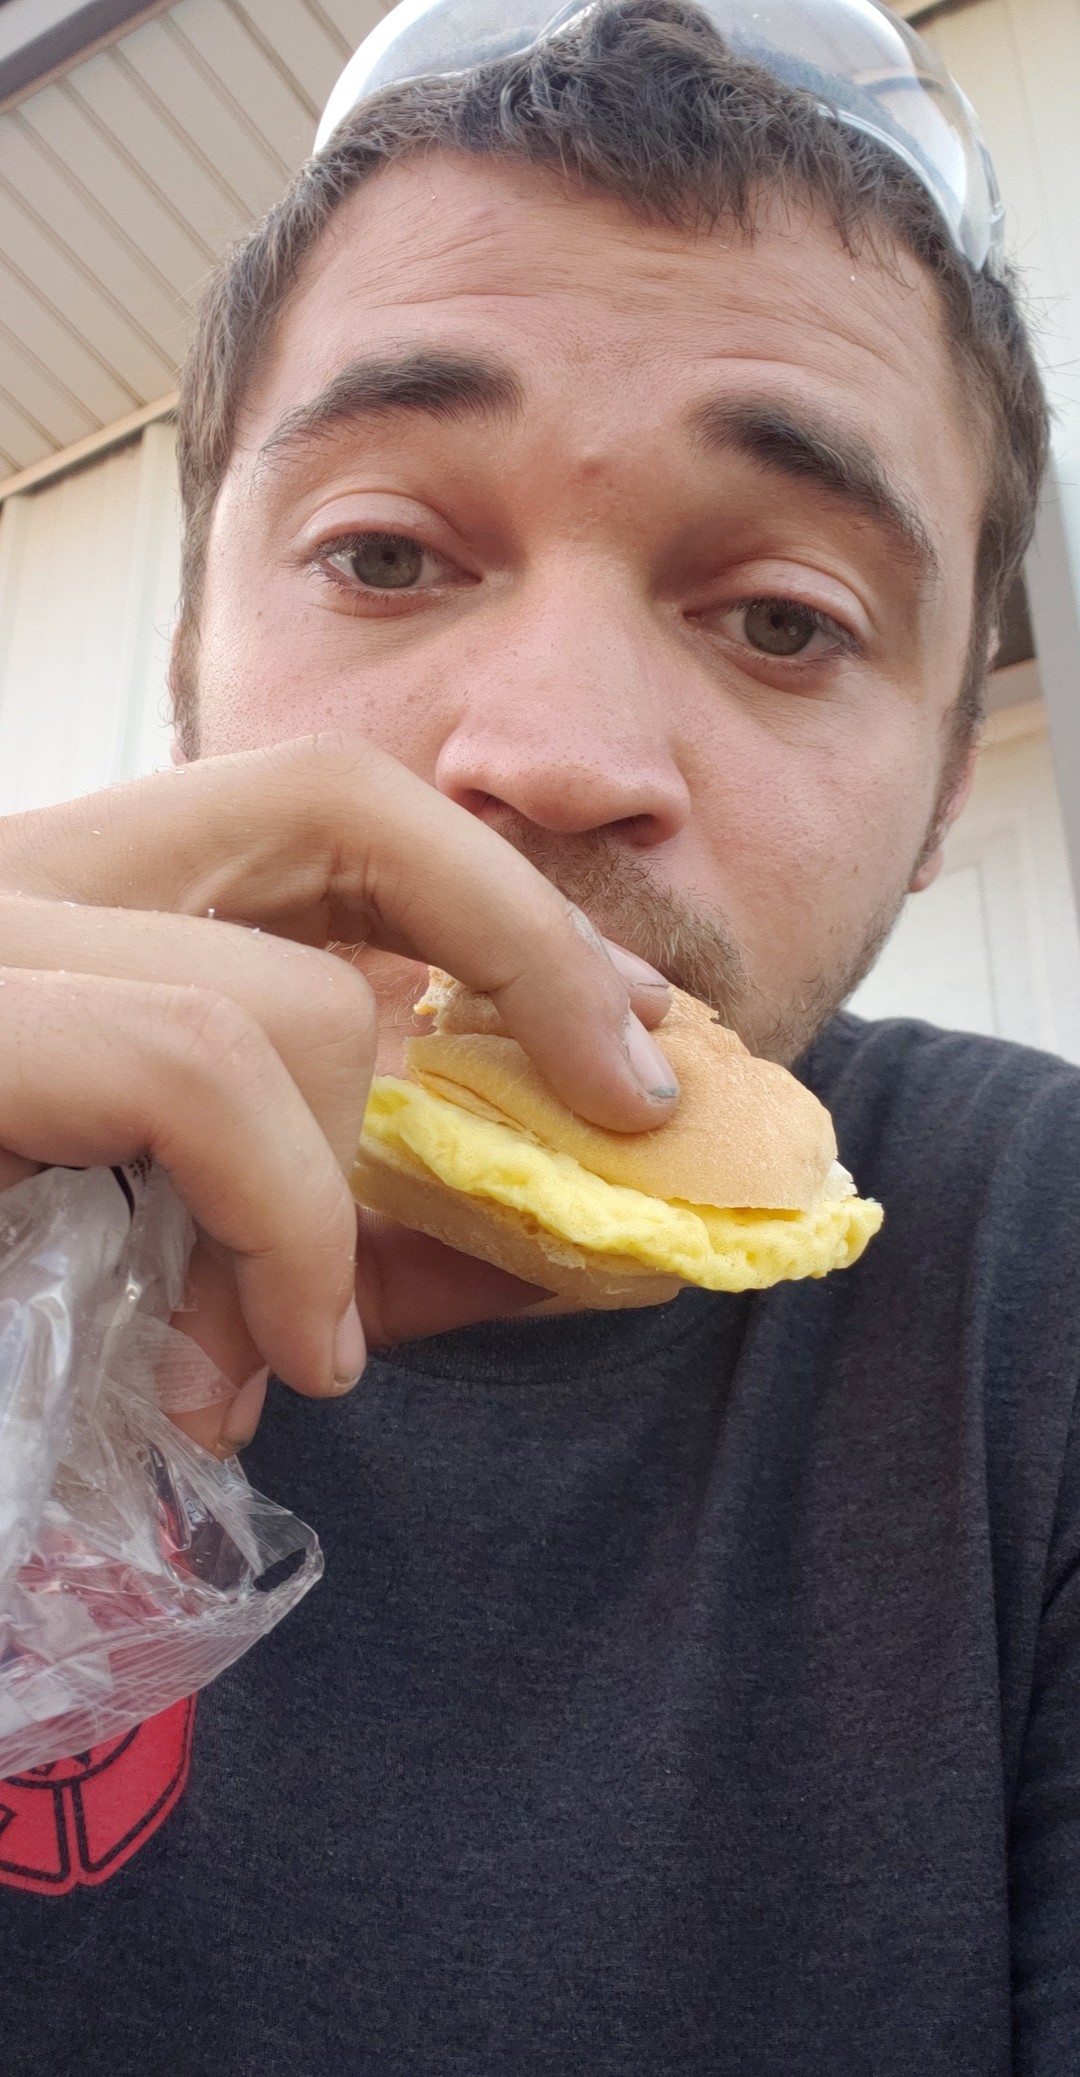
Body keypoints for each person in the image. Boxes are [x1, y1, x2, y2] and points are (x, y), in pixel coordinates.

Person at [0, 0, 1073, 2068]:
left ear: (946, 789)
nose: (556, 755)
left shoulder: (1042, 1278)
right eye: (386, 553)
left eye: (785, 617)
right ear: (190, 655)